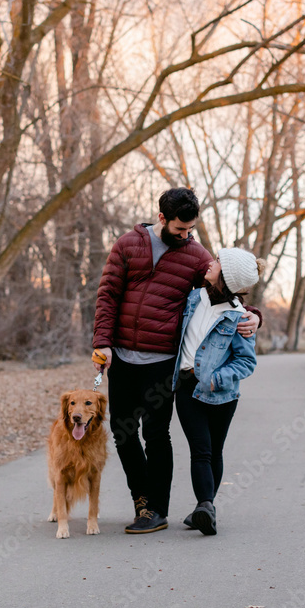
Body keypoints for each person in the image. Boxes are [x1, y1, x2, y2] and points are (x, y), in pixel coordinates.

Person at [91, 188, 261, 534]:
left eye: (192, 230)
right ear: (162, 218)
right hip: (122, 356)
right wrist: (103, 342)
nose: (187, 236)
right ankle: (141, 501)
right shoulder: (127, 245)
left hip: (162, 362)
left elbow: (227, 293)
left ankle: (157, 509)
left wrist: (255, 316)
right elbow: (108, 294)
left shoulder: (197, 256)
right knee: (123, 432)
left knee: (156, 435)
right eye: (181, 229)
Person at [172, 248, 262, 536]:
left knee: (215, 451)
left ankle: (205, 508)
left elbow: (247, 361)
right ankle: (205, 506)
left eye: (217, 262)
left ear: (226, 275)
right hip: (187, 388)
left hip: (222, 395)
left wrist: (217, 378)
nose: (210, 262)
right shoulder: (192, 299)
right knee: (201, 450)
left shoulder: (239, 318)